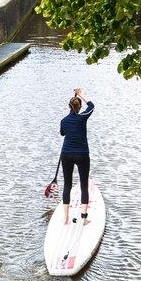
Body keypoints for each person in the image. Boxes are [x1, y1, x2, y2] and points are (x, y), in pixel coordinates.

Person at [58, 88, 95, 225]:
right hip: (82, 155)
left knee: (67, 185)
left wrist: (70, 110)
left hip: (66, 154)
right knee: (84, 185)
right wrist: (80, 94)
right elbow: (91, 106)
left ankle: (65, 218)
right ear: (80, 107)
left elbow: (62, 133)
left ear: (69, 107)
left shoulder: (63, 121)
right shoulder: (83, 117)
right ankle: (84, 219)